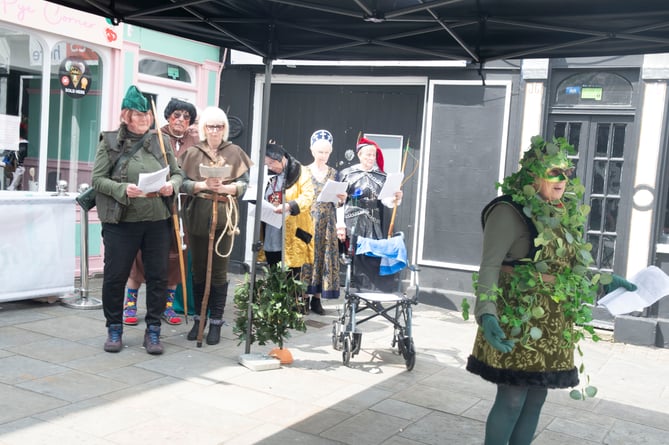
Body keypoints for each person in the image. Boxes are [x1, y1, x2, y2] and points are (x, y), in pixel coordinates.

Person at [466, 135, 637, 445]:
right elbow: (489, 266)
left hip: (553, 320)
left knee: (536, 398)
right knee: (512, 397)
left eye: (566, 172)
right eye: (554, 172)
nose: (562, 179)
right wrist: (486, 313)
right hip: (518, 317)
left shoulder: (561, 210)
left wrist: (603, 279)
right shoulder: (508, 211)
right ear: (534, 173)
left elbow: (567, 267)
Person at [91, 85, 183, 355]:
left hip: (157, 221)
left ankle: (153, 330)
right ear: (126, 116)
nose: (144, 120)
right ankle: (114, 328)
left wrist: (171, 186)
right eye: (138, 116)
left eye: (147, 116)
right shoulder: (109, 142)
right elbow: (97, 180)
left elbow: (178, 174)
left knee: (158, 276)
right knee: (115, 277)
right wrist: (121, 189)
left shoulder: (162, 142)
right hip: (122, 222)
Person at [179, 106, 252, 345]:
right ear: (203, 128)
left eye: (219, 126)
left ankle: (216, 322)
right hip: (198, 214)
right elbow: (182, 183)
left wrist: (227, 188)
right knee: (199, 269)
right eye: (211, 126)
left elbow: (244, 183)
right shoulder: (193, 152)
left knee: (219, 270)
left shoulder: (234, 151)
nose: (215, 131)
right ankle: (200, 319)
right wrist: (201, 185)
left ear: (225, 129)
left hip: (224, 215)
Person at [123, 98, 199, 327]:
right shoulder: (154, 136)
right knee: (139, 257)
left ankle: (167, 306)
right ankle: (130, 305)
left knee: (176, 257)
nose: (181, 120)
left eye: (187, 117)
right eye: (177, 115)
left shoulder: (193, 141)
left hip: (181, 209)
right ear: (167, 116)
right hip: (152, 205)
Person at [336, 137, 403, 292]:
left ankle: (371, 292)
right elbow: (338, 202)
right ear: (359, 155)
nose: (371, 158)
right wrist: (340, 224)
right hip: (353, 220)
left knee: (373, 256)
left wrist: (396, 198)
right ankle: (356, 292)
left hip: (373, 221)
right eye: (368, 155)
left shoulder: (381, 176)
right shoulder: (347, 174)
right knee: (357, 256)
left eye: (373, 155)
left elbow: (386, 201)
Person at [259, 140, 315, 296]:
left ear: (280, 158)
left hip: (292, 228)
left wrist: (289, 206)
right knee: (273, 266)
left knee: (292, 272)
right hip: (272, 226)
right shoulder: (268, 174)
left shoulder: (300, 171)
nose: (270, 167)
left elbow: (308, 197)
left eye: (271, 163)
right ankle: (274, 304)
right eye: (267, 164)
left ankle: (292, 308)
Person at [302, 129, 340, 315]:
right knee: (307, 258)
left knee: (322, 257)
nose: (323, 156)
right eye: (320, 152)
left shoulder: (334, 173)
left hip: (327, 222)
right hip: (308, 220)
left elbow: (339, 202)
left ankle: (316, 299)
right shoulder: (304, 171)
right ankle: (302, 297)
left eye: (326, 152)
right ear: (312, 151)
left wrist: (342, 197)